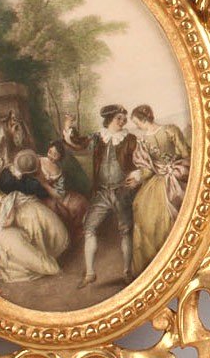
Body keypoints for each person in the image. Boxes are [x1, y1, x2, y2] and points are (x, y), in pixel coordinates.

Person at [63, 105, 144, 287]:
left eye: (124, 118)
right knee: (89, 228)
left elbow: (140, 160)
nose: (123, 121)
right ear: (109, 119)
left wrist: (137, 176)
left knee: (126, 231)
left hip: (122, 191)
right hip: (101, 192)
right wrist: (68, 125)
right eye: (118, 118)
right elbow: (78, 143)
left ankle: (127, 272)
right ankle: (90, 273)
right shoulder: (98, 137)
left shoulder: (130, 139)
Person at [0, 166, 69, 284]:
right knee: (13, 240)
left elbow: (5, 199)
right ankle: (49, 267)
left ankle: (51, 247)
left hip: (5, 212)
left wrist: (9, 215)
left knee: (33, 212)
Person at [128, 105, 192, 275]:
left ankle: (175, 262)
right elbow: (184, 154)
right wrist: (138, 177)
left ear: (143, 120)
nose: (136, 126)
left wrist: (172, 166)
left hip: (173, 177)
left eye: (136, 122)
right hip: (166, 178)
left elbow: (185, 154)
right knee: (147, 212)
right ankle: (158, 265)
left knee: (166, 218)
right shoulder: (160, 134)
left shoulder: (162, 133)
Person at [37, 140, 90, 235]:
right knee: (60, 210)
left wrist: (47, 185)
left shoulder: (58, 172)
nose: (51, 156)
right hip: (41, 194)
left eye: (55, 155)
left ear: (60, 157)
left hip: (54, 194)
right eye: (50, 152)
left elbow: (59, 193)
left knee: (79, 203)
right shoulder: (39, 160)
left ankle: (78, 230)